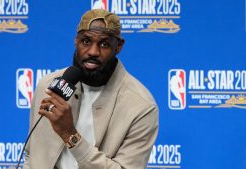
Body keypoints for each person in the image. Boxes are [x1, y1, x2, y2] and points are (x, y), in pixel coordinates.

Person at [23, 9, 159, 169]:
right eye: (86, 41)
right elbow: (32, 155)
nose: (93, 52)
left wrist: (70, 134)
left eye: (104, 44)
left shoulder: (141, 106)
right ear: (76, 40)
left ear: (119, 46)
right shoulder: (48, 85)